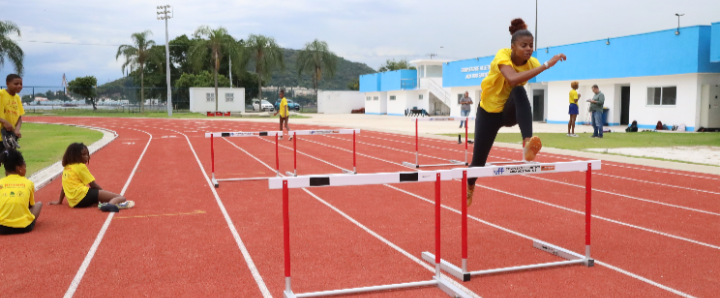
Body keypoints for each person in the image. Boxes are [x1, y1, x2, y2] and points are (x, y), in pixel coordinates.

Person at [466, 18, 567, 207]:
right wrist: (546, 65)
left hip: (508, 112)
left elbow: (518, 85)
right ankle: (470, 186)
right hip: (488, 113)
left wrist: (541, 66)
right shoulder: (502, 56)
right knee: (478, 163)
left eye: (531, 45)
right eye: (524, 45)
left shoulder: (532, 62)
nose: (528, 49)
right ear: (513, 47)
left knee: (520, 92)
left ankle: (527, 143)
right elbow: (511, 78)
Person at [49, 143, 134, 211]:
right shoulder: (80, 166)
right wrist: (104, 192)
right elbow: (93, 185)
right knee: (121, 197)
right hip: (83, 195)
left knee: (100, 198)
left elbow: (64, 186)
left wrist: (60, 201)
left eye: (87, 154)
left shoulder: (67, 168)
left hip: (74, 203)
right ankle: (110, 205)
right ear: (75, 156)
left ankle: (101, 202)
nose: (87, 157)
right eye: (83, 155)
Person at [0, 149, 41, 235]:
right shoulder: (28, 183)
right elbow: (30, 206)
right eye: (24, 167)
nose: (25, 169)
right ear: (19, 168)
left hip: (1, 228)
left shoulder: (1, 182)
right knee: (39, 204)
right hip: (24, 227)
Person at [0, 74, 25, 150]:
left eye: (21, 84)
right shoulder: (1, 94)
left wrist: (17, 129)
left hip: (9, 136)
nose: (19, 86)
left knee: (11, 160)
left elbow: (19, 117)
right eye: (16, 84)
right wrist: (4, 121)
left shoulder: (17, 98)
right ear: (7, 84)